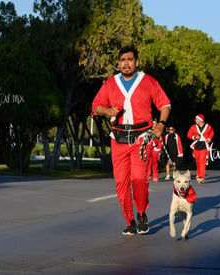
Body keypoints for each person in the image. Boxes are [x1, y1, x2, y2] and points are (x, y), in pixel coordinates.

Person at [92, 45, 171, 235]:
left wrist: (161, 124)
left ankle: (142, 212)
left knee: (138, 179)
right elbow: (96, 106)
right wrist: (108, 111)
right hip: (118, 138)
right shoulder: (111, 83)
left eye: (129, 59)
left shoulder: (148, 81)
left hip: (141, 138)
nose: (126, 63)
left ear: (136, 62)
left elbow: (165, 104)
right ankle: (130, 220)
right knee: (121, 183)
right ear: (119, 63)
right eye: (122, 60)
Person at [187, 114, 214, 184]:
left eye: (196, 119)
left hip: (204, 145)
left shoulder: (208, 126)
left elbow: (212, 133)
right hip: (196, 146)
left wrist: (209, 139)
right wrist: (194, 137)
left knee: (202, 161)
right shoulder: (193, 127)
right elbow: (189, 135)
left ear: (201, 120)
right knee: (198, 162)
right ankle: (198, 175)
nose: (195, 120)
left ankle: (201, 177)